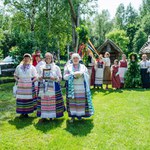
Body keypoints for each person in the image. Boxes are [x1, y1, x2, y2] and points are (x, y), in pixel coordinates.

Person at [64, 53, 94, 122]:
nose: (75, 59)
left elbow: (88, 76)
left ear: (79, 59)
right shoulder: (68, 66)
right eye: (74, 58)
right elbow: (64, 76)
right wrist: (72, 75)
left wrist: (82, 74)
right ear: (72, 59)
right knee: (73, 102)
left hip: (81, 88)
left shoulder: (83, 67)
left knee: (81, 101)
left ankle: (80, 115)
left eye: (76, 58)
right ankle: (73, 116)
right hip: (72, 88)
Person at [37, 52, 65, 121]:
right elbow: (37, 76)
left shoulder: (56, 67)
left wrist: (55, 78)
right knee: (44, 101)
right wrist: (40, 77)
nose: (48, 59)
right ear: (45, 59)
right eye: (47, 58)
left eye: (49, 58)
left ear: (52, 59)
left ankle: (52, 116)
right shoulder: (41, 67)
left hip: (53, 85)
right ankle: (43, 116)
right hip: (43, 86)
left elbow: (60, 77)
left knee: (52, 101)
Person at [14, 53, 38, 118]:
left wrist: (31, 81)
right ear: (23, 58)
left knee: (28, 99)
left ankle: (27, 112)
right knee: (21, 98)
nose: (26, 59)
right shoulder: (18, 67)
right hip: (21, 86)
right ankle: (21, 112)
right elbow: (15, 75)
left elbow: (36, 77)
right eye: (25, 58)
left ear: (30, 59)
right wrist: (17, 80)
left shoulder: (32, 67)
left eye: (28, 58)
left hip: (29, 86)